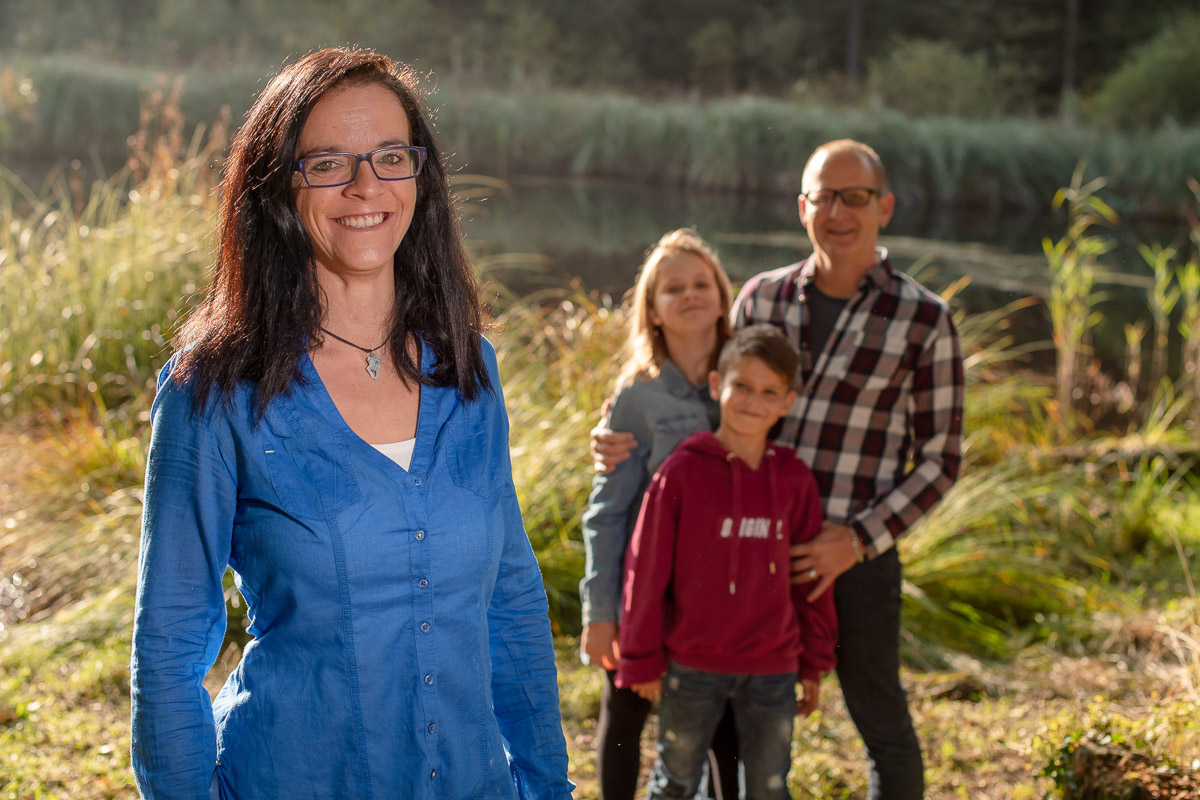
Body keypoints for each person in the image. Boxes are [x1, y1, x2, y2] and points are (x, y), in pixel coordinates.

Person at [130, 47, 573, 800]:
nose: (367, 187)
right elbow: (170, 646)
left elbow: (512, 601)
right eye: (329, 163)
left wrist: (546, 784)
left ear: (421, 176)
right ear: (278, 186)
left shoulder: (471, 369)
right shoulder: (213, 391)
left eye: (391, 157)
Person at [595, 139, 964, 800]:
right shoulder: (762, 298)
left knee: (879, 717)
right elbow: (708, 384)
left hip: (851, 553)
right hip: (741, 551)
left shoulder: (924, 319)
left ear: (884, 207)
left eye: (856, 198)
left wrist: (858, 539)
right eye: (824, 197)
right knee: (724, 722)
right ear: (802, 208)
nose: (839, 212)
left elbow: (942, 459)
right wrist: (617, 426)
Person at [615, 324, 836, 800]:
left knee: (769, 787)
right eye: (743, 386)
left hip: (773, 667)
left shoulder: (794, 479)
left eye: (769, 392)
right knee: (674, 782)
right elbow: (646, 570)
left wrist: (814, 660)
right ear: (717, 385)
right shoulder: (682, 471)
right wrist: (641, 657)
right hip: (693, 663)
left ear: (787, 403)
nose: (753, 401)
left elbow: (810, 579)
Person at [579, 229, 739, 800]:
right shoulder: (637, 397)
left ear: (722, 297)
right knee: (625, 713)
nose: (690, 294)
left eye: (701, 283)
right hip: (644, 592)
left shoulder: (747, 383)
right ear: (651, 309)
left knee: (726, 727)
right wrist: (601, 612)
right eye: (673, 288)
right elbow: (607, 512)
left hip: (723, 596)